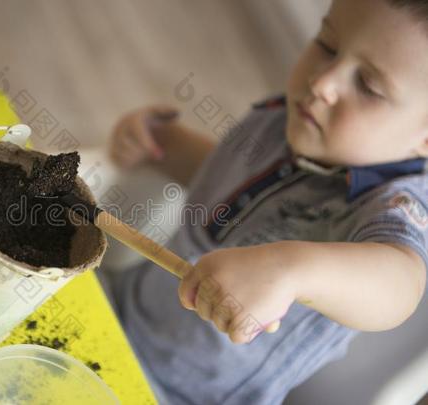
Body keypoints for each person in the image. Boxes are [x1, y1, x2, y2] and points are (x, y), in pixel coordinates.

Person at [101, 0, 428, 403]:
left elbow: (399, 286)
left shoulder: (391, 205)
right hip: (120, 308)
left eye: (369, 86)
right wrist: (165, 148)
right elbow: (234, 190)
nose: (323, 83)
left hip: (177, 394)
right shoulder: (291, 120)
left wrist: (290, 269)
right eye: (328, 45)